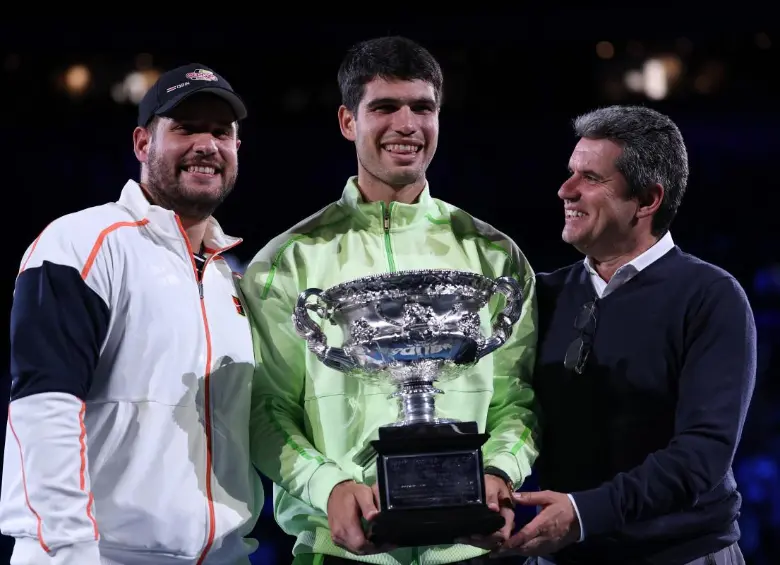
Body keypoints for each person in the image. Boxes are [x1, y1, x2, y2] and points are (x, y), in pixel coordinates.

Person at [241, 36, 539, 565]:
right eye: (384, 107)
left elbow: (518, 399)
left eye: (423, 108)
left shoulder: (495, 257)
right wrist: (327, 487)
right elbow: (266, 408)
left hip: (473, 551)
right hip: (340, 554)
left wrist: (497, 472)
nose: (407, 125)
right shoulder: (286, 262)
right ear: (347, 122)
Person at [0, 64, 263, 564]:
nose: (207, 144)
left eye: (221, 132)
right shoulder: (82, 243)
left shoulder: (231, 277)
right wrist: (72, 550)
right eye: (186, 128)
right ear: (143, 144)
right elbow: (45, 407)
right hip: (98, 555)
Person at [497, 105, 757, 564]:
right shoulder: (543, 295)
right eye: (569, 172)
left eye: (590, 178)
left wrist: (583, 514)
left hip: (679, 554)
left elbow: (701, 456)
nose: (565, 190)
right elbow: (507, 412)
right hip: (562, 553)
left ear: (648, 199)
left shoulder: (711, 297)